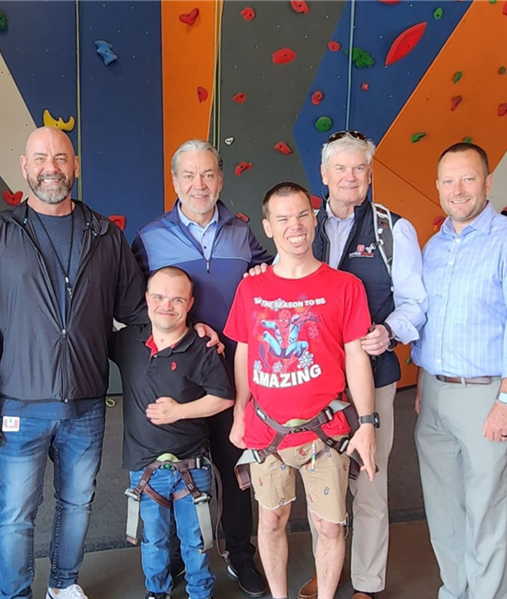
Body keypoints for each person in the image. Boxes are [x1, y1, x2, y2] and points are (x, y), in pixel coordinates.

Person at [0, 127, 220, 599]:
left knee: (76, 503)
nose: (50, 167)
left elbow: (139, 312)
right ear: (25, 166)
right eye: (40, 158)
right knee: (16, 512)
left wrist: (190, 328)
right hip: (21, 402)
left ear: (75, 166)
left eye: (60, 158)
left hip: (86, 402)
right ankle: (15, 594)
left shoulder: (105, 235)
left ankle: (63, 584)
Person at [225, 182, 377, 599]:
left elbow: (356, 357)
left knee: (330, 524)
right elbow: (244, 351)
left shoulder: (345, 287)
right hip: (266, 429)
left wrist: (366, 423)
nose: (295, 226)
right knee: (271, 520)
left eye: (303, 215)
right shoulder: (251, 289)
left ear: (315, 220)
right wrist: (240, 409)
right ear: (268, 227)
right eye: (284, 218)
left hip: (324, 431)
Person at [133, 139, 271, 597]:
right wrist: (191, 327)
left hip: (235, 373)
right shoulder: (150, 237)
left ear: (221, 178)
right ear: (174, 182)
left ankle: (239, 552)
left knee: (235, 466)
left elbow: (265, 284)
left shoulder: (243, 232)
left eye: (208, 174)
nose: (199, 184)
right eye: (189, 175)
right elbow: (139, 306)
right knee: (178, 470)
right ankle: (175, 558)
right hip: (178, 378)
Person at [295, 130, 427, 599]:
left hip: (374, 378)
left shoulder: (394, 230)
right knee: (321, 484)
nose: (351, 177)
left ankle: (367, 583)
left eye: (359, 169)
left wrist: (388, 331)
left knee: (369, 482)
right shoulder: (300, 223)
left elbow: (416, 302)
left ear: (370, 176)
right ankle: (326, 573)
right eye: (341, 169)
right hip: (315, 383)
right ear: (324, 175)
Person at [412, 142, 507, 599]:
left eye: (468, 178)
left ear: (487, 182)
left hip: (487, 395)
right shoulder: (434, 246)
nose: (457, 190)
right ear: (437, 186)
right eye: (448, 180)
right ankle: (453, 590)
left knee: (485, 511)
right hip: (434, 394)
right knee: (443, 509)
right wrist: (423, 381)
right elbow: (430, 323)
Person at [111, 266, 235, 599]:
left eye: (177, 299)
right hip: (144, 468)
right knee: (153, 539)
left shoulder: (202, 348)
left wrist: (179, 411)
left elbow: (224, 397)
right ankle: (157, 591)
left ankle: (200, 592)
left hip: (191, 467)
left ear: (190, 302)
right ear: (147, 299)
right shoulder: (127, 341)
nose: (167, 305)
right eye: (159, 297)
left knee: (196, 539)